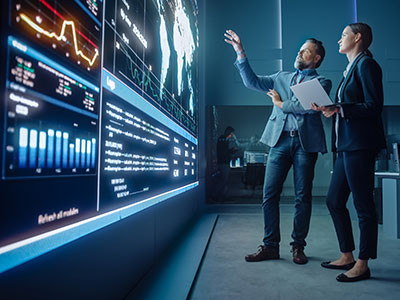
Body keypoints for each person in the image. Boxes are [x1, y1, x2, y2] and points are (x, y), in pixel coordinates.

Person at [224, 30, 332, 264]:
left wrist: (280, 103)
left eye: (306, 50)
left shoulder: (322, 82)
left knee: (302, 197)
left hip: (306, 145)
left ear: (316, 59)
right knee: (269, 194)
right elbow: (251, 82)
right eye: (300, 48)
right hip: (279, 141)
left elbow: (303, 106)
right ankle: (270, 246)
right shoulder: (281, 77)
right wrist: (240, 52)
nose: (299, 52)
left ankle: (298, 247)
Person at [311, 23, 385, 282]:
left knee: (364, 206)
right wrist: (333, 108)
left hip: (360, 146)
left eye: (343, 35)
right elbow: (351, 106)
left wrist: (341, 108)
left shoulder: (367, 65)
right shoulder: (351, 68)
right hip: (345, 146)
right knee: (333, 201)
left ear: (358, 38)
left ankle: (363, 264)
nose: (339, 39)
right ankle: (347, 255)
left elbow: (374, 107)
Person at [212, 126, 238, 201]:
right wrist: (232, 151)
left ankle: (221, 195)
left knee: (224, 180)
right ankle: (215, 194)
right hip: (223, 162)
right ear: (228, 132)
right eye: (231, 133)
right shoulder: (223, 139)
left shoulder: (223, 139)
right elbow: (224, 152)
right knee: (223, 180)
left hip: (223, 162)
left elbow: (224, 151)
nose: (231, 135)